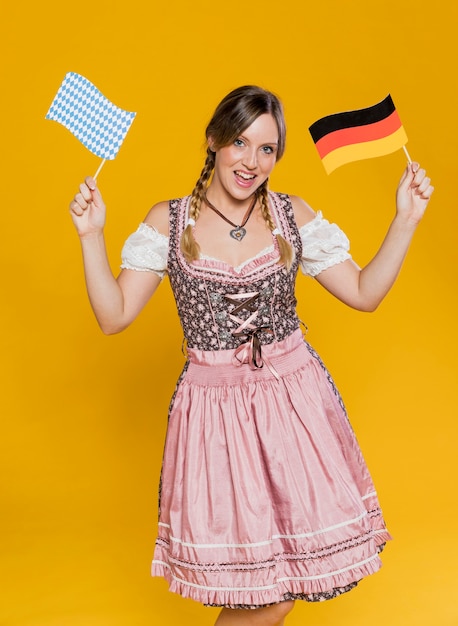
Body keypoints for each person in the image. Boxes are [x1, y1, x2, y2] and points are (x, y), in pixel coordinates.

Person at [69, 85, 433, 626]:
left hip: (293, 406)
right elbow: (113, 316)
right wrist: (91, 236)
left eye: (267, 149)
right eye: (241, 142)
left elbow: (363, 294)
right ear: (214, 141)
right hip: (215, 416)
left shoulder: (291, 215)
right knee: (258, 593)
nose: (252, 161)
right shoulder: (167, 222)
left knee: (280, 586)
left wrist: (406, 218)